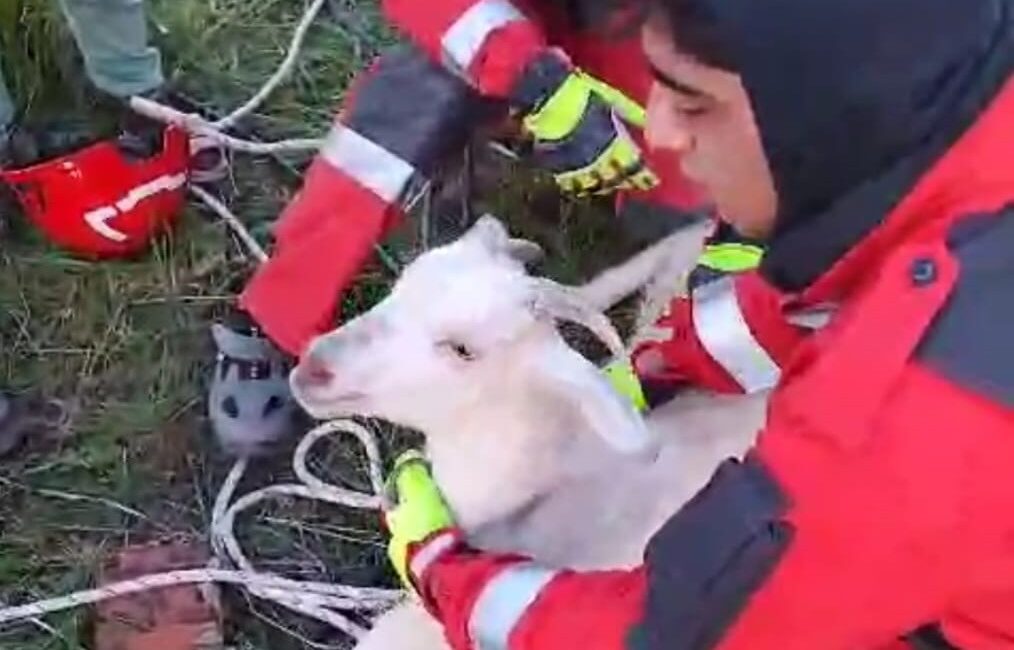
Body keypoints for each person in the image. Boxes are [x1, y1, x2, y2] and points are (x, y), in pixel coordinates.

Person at [380, 0, 1014, 648]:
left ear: (818, 118)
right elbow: (833, 293)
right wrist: (661, 367)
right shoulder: (971, 108)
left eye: (693, 104)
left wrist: (446, 575)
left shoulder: (908, 429)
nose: (658, 132)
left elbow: (675, 632)